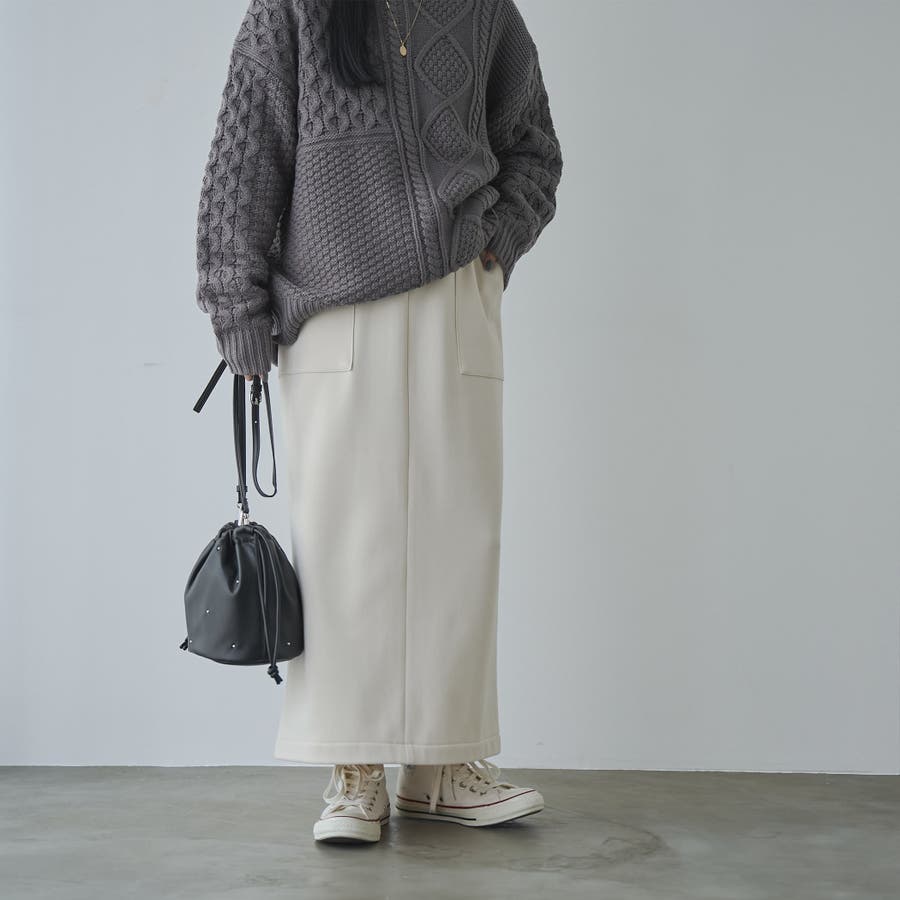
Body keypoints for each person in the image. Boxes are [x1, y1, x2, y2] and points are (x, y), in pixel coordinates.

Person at [195, 0, 563, 844]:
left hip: (455, 296)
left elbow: (534, 146)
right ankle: (354, 770)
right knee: (344, 543)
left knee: (458, 538)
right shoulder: (292, 9)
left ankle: (445, 766)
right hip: (333, 310)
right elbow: (242, 161)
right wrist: (235, 304)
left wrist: (497, 244)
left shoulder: (484, 10)